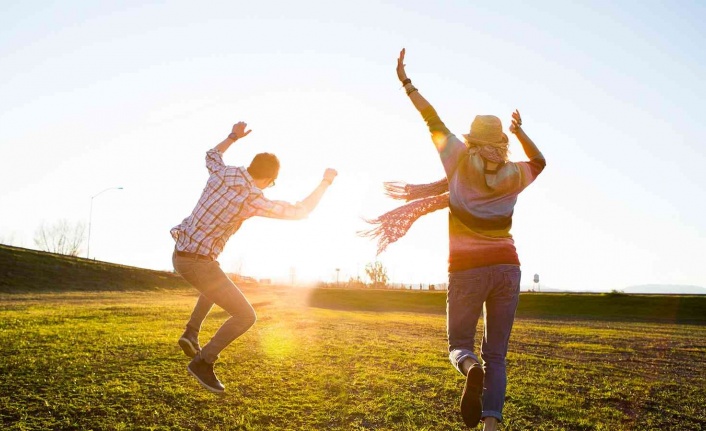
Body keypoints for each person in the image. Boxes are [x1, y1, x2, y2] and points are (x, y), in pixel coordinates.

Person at [361, 49, 545, 429]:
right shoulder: (514, 173)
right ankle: (492, 424)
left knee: (459, 344)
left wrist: (406, 83)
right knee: (498, 354)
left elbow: (430, 117)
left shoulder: (458, 158)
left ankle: (468, 367)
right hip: (508, 268)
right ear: (502, 141)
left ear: (472, 139)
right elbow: (540, 161)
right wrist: (520, 131)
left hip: (466, 269)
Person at [171, 121, 337, 394]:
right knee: (245, 316)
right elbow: (299, 211)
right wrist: (325, 182)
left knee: (215, 284)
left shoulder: (223, 173)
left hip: (180, 254)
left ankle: (191, 331)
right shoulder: (252, 197)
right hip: (197, 262)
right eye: (272, 184)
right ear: (269, 179)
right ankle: (203, 361)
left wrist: (233, 136)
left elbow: (211, 154)